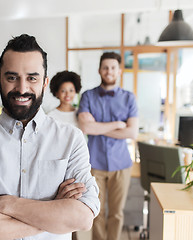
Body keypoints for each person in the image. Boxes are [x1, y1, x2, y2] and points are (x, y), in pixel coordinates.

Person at [0, 34, 100, 240]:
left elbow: (82, 218)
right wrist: (53, 214)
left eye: (32, 78)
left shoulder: (71, 139)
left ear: (45, 82)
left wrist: (5, 204)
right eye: (12, 77)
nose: (22, 88)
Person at [77, 52, 139, 240]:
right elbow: (85, 126)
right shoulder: (88, 96)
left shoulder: (129, 98)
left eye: (113, 67)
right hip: (94, 163)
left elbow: (132, 133)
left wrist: (98, 128)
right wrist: (117, 124)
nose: (109, 71)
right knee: (96, 211)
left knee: (116, 213)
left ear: (119, 71)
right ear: (99, 70)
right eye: (105, 67)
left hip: (121, 164)